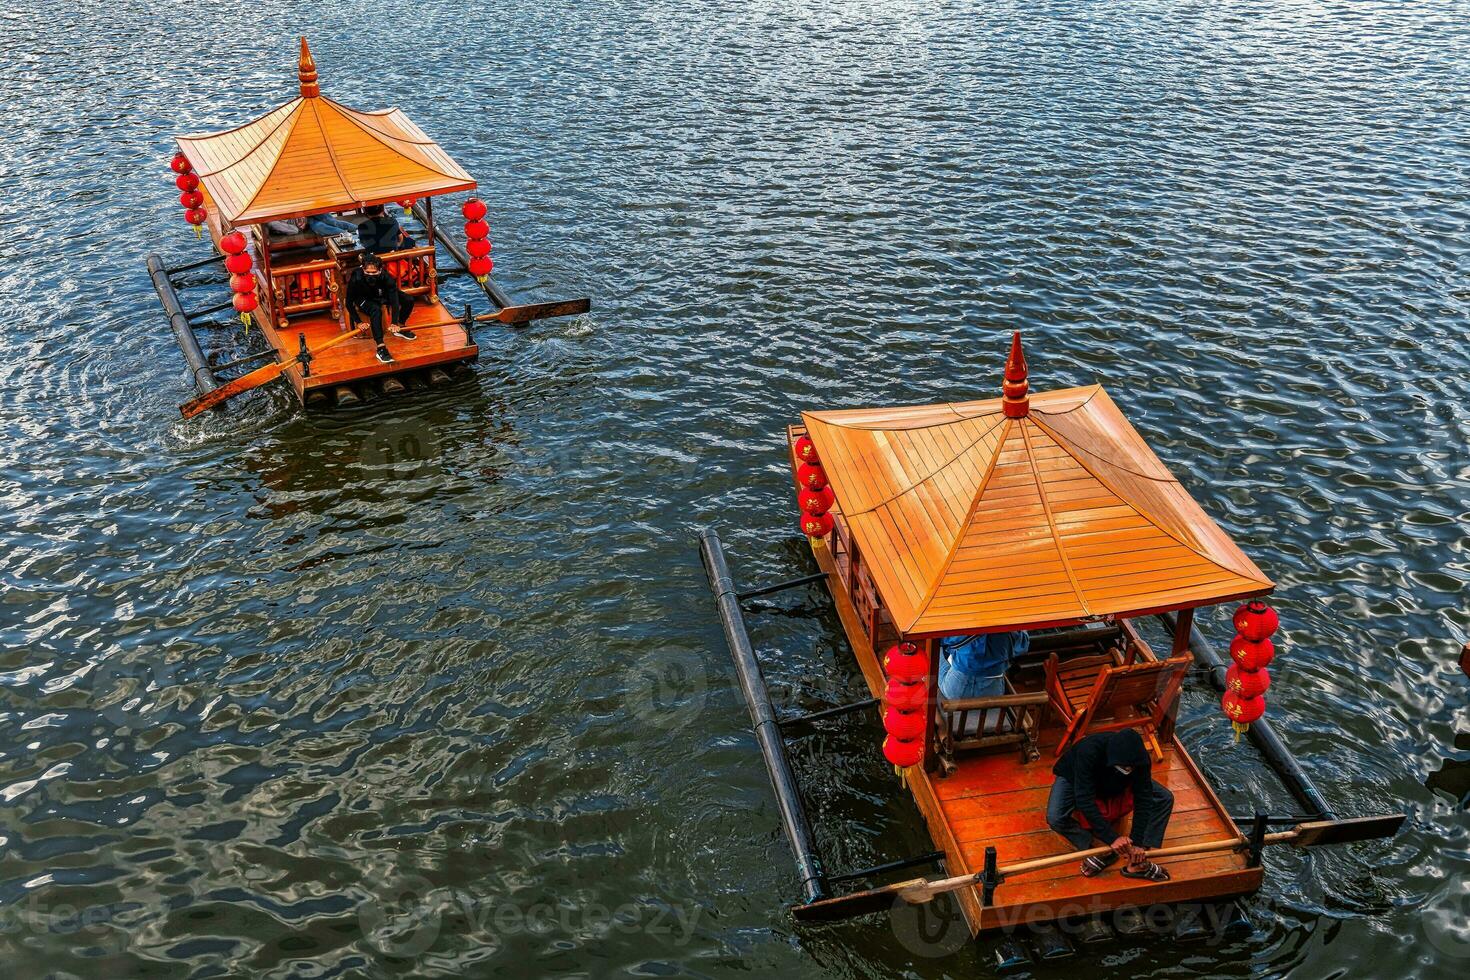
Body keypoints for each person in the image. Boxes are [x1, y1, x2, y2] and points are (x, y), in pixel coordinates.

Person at [1046, 729, 1174, 881]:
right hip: (1076, 777)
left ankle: (1137, 857)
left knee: (1164, 797)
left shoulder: (1140, 760)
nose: (1128, 770)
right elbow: (1084, 798)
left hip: (1117, 782)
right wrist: (1111, 838)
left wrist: (1138, 842)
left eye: (1131, 768)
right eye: (1124, 767)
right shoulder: (1088, 750)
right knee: (1055, 817)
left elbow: (1143, 798)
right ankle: (1099, 849)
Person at [345, 254, 416, 363]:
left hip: (380, 294)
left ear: (380, 270)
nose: (370, 275)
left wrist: (394, 323)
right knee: (376, 310)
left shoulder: (387, 278)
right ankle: (381, 348)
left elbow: (394, 301)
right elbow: (349, 302)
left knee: (408, 299)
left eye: (374, 273)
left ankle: (400, 326)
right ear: (363, 269)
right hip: (363, 298)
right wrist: (358, 322)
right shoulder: (356, 278)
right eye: (367, 272)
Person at [939, 631, 1029, 700]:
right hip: (994, 692)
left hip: (957, 691)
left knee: (932, 649)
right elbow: (1023, 646)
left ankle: (935, 715)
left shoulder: (965, 621)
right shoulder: (1009, 630)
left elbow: (942, 639)